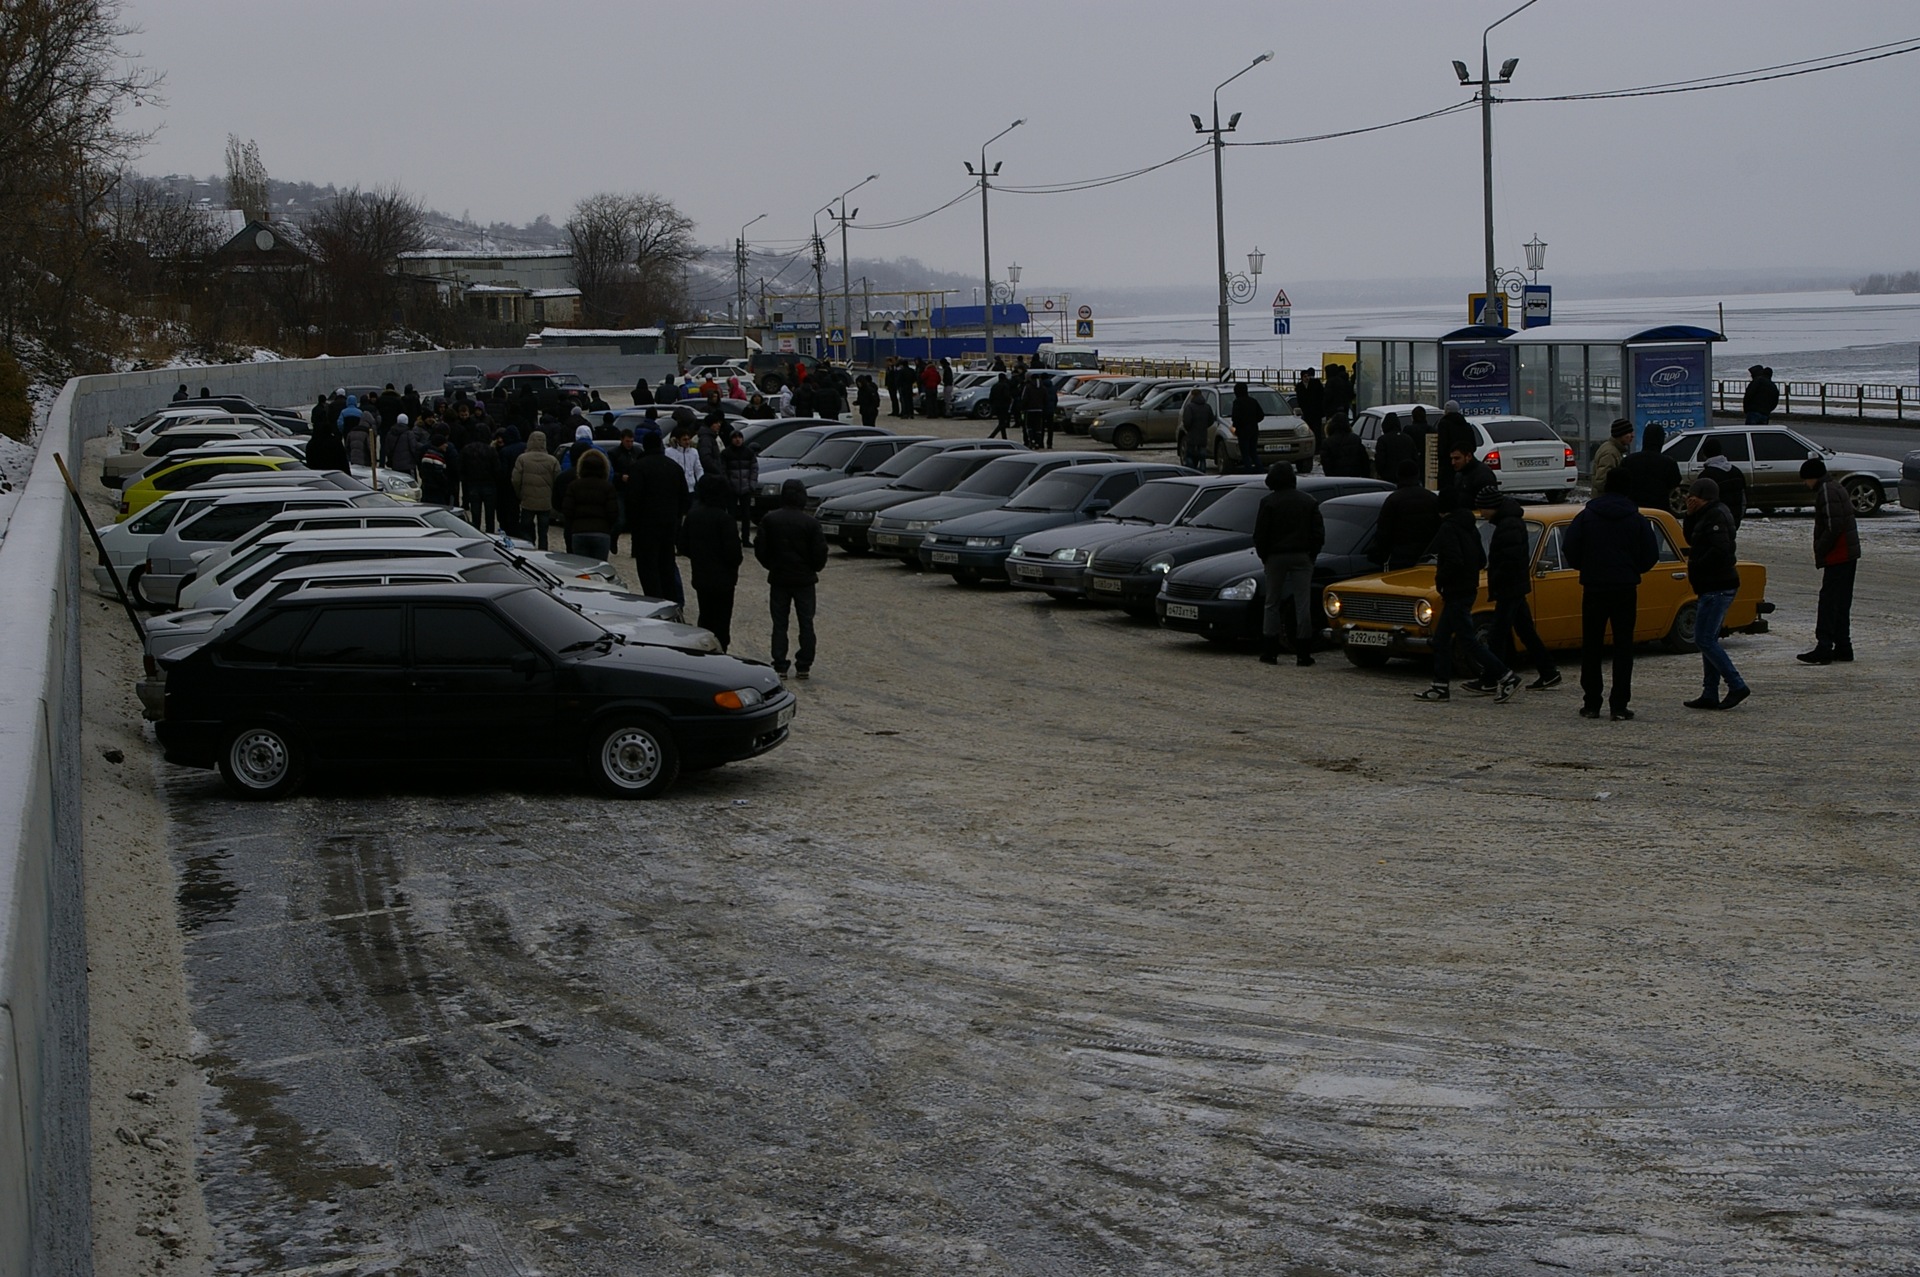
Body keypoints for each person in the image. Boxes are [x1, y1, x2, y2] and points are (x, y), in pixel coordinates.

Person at [1563, 469, 1659, 720]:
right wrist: (1631, 570)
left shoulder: (1587, 516)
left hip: (1594, 587)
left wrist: (1587, 567)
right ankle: (1619, 705)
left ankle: (1591, 703)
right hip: (1625, 589)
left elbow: (1570, 548)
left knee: (1592, 646)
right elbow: (1650, 554)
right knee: (1623, 648)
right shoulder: (1636, 518)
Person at [1415, 493, 1518, 703]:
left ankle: (1506, 676)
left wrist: (1440, 577)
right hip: (1467, 589)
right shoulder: (1470, 526)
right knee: (1442, 639)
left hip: (1455, 591)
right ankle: (1440, 685)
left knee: (1467, 641)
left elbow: (1453, 560)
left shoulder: (1448, 528)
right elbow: (1480, 558)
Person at [1681, 476, 1750, 709]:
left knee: (1704, 639)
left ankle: (1736, 684)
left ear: (1704, 497)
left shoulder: (1716, 515)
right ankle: (1710, 692)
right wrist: (1689, 516)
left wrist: (1698, 564)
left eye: (1693, 497)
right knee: (1706, 640)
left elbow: (1722, 551)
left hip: (1717, 586)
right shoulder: (1705, 514)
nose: (1689, 500)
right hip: (1710, 586)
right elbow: (1689, 538)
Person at [1484, 489, 1561, 691]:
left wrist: (1499, 582)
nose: (1482, 513)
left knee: (1497, 634)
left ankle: (1491, 678)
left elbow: (1508, 560)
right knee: (1525, 631)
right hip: (1514, 586)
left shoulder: (1508, 526)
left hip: (1510, 587)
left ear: (1492, 507)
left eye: (1483, 508)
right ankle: (1548, 672)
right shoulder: (1510, 523)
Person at [1251, 462, 1323, 667]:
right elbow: (1318, 533)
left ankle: (1270, 650)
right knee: (1303, 603)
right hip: (1302, 555)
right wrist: (1312, 555)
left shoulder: (1269, 502)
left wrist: (1264, 556)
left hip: (1275, 556)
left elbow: (1260, 534)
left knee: (1272, 603)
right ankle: (1303, 652)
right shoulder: (1308, 501)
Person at [756, 477, 828, 679]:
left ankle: (780, 663)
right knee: (806, 622)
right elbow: (820, 552)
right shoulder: (811, 523)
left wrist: (772, 565)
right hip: (804, 579)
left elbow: (761, 549)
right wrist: (813, 568)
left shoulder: (770, 519)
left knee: (779, 624)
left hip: (779, 578)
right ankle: (804, 664)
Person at [1798, 456, 1860, 664]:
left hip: (1838, 554)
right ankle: (1844, 646)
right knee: (1841, 602)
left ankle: (1824, 646)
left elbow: (1833, 526)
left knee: (1829, 602)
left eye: (1805, 479)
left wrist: (1821, 548)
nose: (1804, 484)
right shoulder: (1834, 487)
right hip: (1847, 554)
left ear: (1813, 477)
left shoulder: (1826, 491)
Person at [680, 474, 744, 652]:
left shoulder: (693, 516)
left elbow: (683, 546)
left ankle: (704, 650)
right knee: (722, 621)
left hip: (701, 574)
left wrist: (699, 555)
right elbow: (734, 554)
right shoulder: (725, 519)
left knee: (706, 616)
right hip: (724, 578)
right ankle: (720, 651)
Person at [629, 433, 689, 603]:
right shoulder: (674, 467)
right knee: (667, 565)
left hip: (646, 526)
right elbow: (685, 498)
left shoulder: (639, 467)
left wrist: (634, 525)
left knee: (648, 567)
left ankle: (653, 602)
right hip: (669, 524)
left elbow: (633, 499)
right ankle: (671, 601)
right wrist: (676, 518)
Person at [1367, 460, 1441, 570]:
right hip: (1428, 558)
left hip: (1400, 558)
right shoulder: (1432, 498)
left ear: (1399, 476)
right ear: (1417, 475)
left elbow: (1384, 532)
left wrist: (1379, 555)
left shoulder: (1393, 500)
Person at [562, 448, 620, 561]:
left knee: (581, 570)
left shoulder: (574, 486)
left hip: (579, 531)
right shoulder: (607, 487)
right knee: (599, 570)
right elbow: (613, 513)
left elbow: (567, 510)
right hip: (601, 532)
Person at [512, 428, 561, 550]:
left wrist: (520, 494)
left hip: (527, 500)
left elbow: (515, 479)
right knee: (543, 532)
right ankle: (542, 551)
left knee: (526, 528)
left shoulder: (522, 458)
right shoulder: (552, 460)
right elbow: (557, 479)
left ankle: (529, 549)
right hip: (545, 501)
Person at [1616, 422, 1681, 512]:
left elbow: (1621, 483)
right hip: (1659, 510)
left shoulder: (1629, 460)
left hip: (1633, 508)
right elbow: (1675, 483)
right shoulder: (1668, 463)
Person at [721, 427, 759, 547]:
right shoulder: (726, 453)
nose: (737, 440)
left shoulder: (748, 452)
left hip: (745, 488)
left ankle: (746, 539)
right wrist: (727, 485)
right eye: (735, 438)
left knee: (746, 515)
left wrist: (751, 485)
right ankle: (732, 538)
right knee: (731, 515)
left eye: (739, 437)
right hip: (731, 488)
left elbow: (754, 469)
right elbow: (723, 470)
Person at [1698, 436, 1748, 527]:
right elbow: (1743, 499)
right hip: (1734, 521)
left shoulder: (1706, 476)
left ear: (1705, 454)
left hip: (1714, 523)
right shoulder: (1736, 472)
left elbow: (1701, 504)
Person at [459, 428, 500, 532]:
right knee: (490, 515)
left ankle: (476, 533)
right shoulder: (491, 450)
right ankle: (490, 534)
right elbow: (497, 469)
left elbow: (461, 467)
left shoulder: (467, 449)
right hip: (489, 484)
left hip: (473, 484)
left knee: (475, 514)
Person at [1318, 411, 1370, 478]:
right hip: (1354, 478)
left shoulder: (1327, 442)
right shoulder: (1355, 439)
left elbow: (1326, 463)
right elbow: (1364, 461)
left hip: (1336, 480)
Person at [1590, 418, 1633, 497]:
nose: (1632, 436)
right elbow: (1601, 481)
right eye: (1629, 433)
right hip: (1605, 502)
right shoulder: (1610, 453)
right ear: (1620, 434)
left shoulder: (1613, 449)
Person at [1230, 382, 1264, 474]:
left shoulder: (1237, 402)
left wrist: (1236, 426)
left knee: (1245, 453)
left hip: (1242, 431)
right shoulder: (1253, 401)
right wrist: (1253, 421)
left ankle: (1248, 471)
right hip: (1253, 429)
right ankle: (1260, 469)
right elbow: (1261, 415)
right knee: (1253, 452)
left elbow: (1235, 417)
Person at [1178, 387, 1215, 472]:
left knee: (1189, 456)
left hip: (1192, 436)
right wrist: (1204, 426)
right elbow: (1211, 420)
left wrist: (1189, 429)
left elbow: (1187, 422)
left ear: (1193, 395)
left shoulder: (1190, 407)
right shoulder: (1207, 407)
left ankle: (1192, 471)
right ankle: (1202, 472)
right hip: (1203, 436)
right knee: (1202, 458)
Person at [1372, 412, 1415, 483]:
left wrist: (1382, 474)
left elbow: (1380, 460)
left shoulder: (1383, 440)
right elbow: (1414, 457)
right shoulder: (1408, 438)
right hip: (1406, 478)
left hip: (1388, 479)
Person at [666, 423, 704, 492]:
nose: (687, 442)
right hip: (676, 489)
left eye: (688, 439)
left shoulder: (694, 452)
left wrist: (701, 481)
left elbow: (698, 469)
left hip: (691, 488)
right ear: (677, 440)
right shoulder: (669, 452)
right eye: (684, 440)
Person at [1020, 374, 1047, 449]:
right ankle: (1038, 442)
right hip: (1040, 410)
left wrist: (1022, 407)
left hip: (1029, 410)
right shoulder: (1043, 388)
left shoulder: (1028, 387)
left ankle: (1031, 441)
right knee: (1038, 427)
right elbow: (1045, 399)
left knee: (1029, 427)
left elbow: (1024, 398)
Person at [988, 373, 1015, 440]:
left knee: (1001, 421)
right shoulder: (1005, 386)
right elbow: (1006, 396)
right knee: (1003, 423)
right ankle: (992, 436)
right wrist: (1010, 399)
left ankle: (1004, 437)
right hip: (1003, 406)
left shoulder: (994, 386)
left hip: (996, 406)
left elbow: (991, 397)